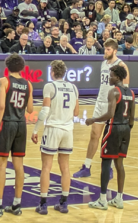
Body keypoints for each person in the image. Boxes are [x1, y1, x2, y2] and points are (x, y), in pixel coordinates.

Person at [0, 54, 34, 217]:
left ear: (7, 67)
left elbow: (1, 106)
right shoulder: (29, 84)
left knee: (1, 165)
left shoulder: (4, 82)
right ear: (22, 68)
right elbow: (31, 109)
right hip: (21, 125)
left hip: (7, 123)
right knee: (19, 165)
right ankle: (16, 204)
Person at [31, 59, 80, 214]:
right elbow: (76, 112)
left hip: (53, 129)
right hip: (68, 130)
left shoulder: (49, 86)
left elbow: (45, 111)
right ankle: (64, 203)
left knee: (46, 167)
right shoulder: (73, 87)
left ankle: (43, 204)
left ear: (52, 71)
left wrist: (35, 129)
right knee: (65, 168)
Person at [75, 39, 127, 178]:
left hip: (113, 104)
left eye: (108, 49)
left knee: (109, 138)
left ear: (115, 51)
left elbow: (125, 88)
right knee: (94, 135)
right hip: (100, 102)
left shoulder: (121, 65)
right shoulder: (103, 63)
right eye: (105, 49)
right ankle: (86, 166)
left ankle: (108, 169)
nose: (106, 51)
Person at [86, 64, 135, 210]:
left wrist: (93, 119)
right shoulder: (131, 93)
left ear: (118, 77)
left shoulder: (114, 92)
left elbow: (110, 114)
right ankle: (119, 199)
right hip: (126, 129)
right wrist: (126, 129)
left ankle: (102, 199)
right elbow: (132, 118)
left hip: (113, 129)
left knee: (106, 164)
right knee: (119, 165)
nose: (109, 77)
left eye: (111, 75)